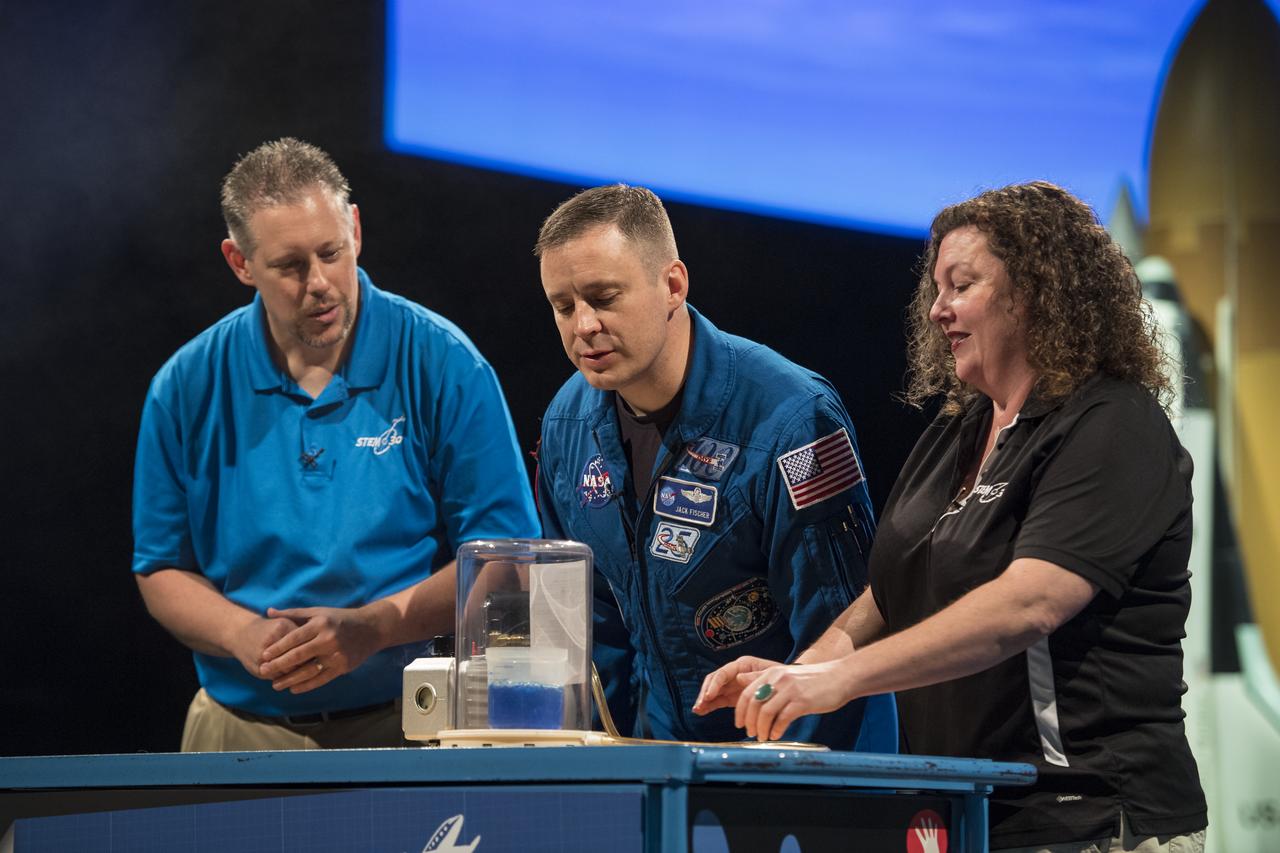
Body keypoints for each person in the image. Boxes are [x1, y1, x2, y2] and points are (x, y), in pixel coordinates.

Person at [695, 182, 1207, 851]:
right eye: (936, 288)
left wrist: (842, 680)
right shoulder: (957, 428)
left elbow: (1028, 605)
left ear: (1035, 293)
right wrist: (795, 674)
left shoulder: (1112, 425)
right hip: (966, 817)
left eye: (961, 285)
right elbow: (889, 591)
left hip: (1087, 818)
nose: (937, 310)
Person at [132, 138, 538, 751]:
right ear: (240, 262)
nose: (319, 283)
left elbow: (508, 557)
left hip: (409, 727)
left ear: (355, 227)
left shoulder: (443, 362)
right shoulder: (186, 385)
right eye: (290, 266)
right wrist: (243, 635)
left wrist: (371, 630)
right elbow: (161, 567)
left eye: (331, 252)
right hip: (235, 730)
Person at [532, 184, 896, 749]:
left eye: (603, 298)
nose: (583, 326)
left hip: (801, 768)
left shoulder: (793, 419)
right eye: (563, 306)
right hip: (661, 770)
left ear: (673, 285)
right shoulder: (566, 425)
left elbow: (840, 634)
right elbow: (583, 634)